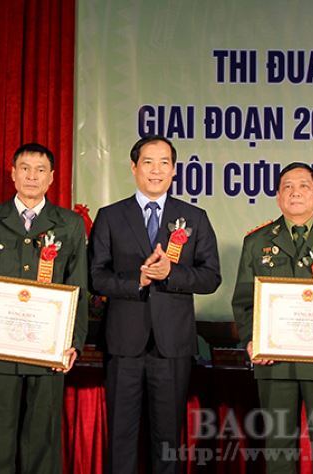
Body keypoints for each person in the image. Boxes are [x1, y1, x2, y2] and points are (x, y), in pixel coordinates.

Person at [88, 135, 221, 474]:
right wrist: (139, 280)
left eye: (164, 162)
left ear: (174, 171)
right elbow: (95, 278)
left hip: (172, 344)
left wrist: (171, 273)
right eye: (148, 162)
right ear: (134, 168)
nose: (156, 170)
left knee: (168, 439)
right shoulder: (110, 216)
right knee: (120, 435)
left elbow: (210, 277)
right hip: (123, 343)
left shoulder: (194, 217)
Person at [0, 143, 88, 474]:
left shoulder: (69, 224)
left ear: (52, 178)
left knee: (42, 442)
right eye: (25, 168)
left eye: (40, 170)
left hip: (48, 349)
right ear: (13, 174)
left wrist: (73, 343)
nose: (32, 176)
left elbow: (79, 287)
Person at [231, 162, 313, 474]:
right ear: (278, 197)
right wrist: (253, 340)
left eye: (304, 185)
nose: (295, 192)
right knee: (278, 452)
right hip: (275, 363)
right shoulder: (257, 241)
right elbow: (244, 300)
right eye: (287, 186)